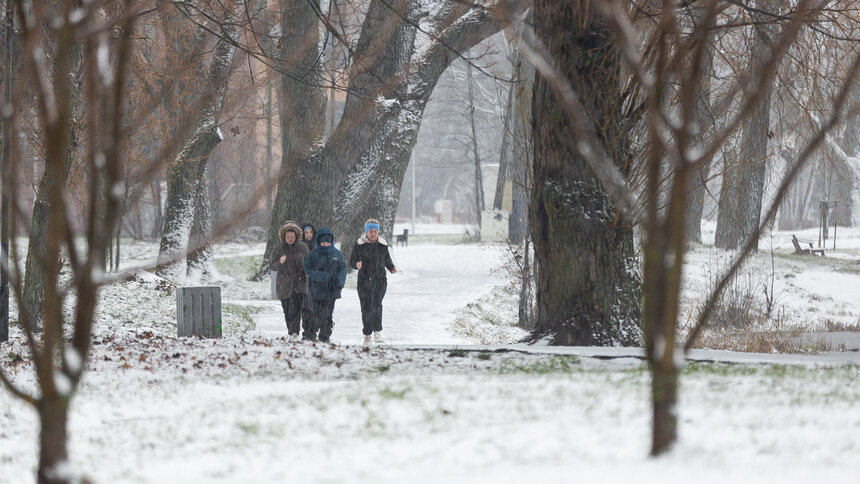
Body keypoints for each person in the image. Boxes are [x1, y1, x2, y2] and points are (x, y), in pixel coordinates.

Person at [349, 218, 397, 344]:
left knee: (376, 305)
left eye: (375, 231)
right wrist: (356, 265)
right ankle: (367, 334)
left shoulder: (382, 245)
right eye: (371, 231)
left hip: (379, 280)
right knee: (365, 307)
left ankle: (377, 332)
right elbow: (352, 261)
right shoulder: (359, 244)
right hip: (364, 280)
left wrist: (391, 267)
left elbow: (386, 259)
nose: (373, 234)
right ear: (366, 232)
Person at [303, 227, 347, 344]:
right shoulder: (312, 255)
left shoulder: (337, 254)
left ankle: (325, 335)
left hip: (331, 290)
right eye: (323, 242)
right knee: (315, 312)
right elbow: (307, 269)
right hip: (316, 290)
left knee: (327, 313)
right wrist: (321, 276)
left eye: (328, 242)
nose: (326, 244)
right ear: (318, 241)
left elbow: (343, 268)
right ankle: (312, 332)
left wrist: (340, 282)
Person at [269, 222, 308, 342]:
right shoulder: (278, 248)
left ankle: (294, 332)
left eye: (292, 237)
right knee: (287, 310)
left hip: (299, 284)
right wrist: (280, 262)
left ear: (296, 236)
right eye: (288, 237)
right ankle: (290, 331)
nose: (290, 239)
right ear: (284, 237)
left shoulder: (303, 248)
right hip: (284, 284)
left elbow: (308, 264)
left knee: (296, 309)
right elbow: (272, 266)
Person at [299, 221, 317, 340]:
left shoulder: (318, 245)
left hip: (316, 280)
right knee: (305, 307)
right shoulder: (300, 246)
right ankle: (306, 331)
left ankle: (314, 330)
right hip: (303, 280)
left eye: (310, 232)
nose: (309, 235)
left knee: (315, 307)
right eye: (306, 232)